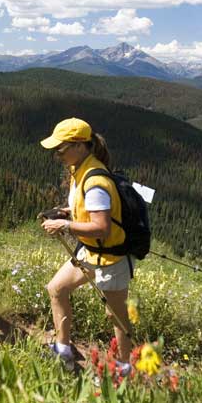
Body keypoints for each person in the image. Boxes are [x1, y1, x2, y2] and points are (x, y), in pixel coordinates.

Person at [40, 118, 133, 375]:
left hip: (111, 259)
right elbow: (87, 208)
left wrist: (64, 226)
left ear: (80, 145)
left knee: (115, 316)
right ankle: (63, 352)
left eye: (61, 148)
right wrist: (68, 212)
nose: (57, 154)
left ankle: (122, 371)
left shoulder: (94, 181)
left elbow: (101, 227)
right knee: (56, 288)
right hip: (91, 252)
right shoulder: (79, 170)